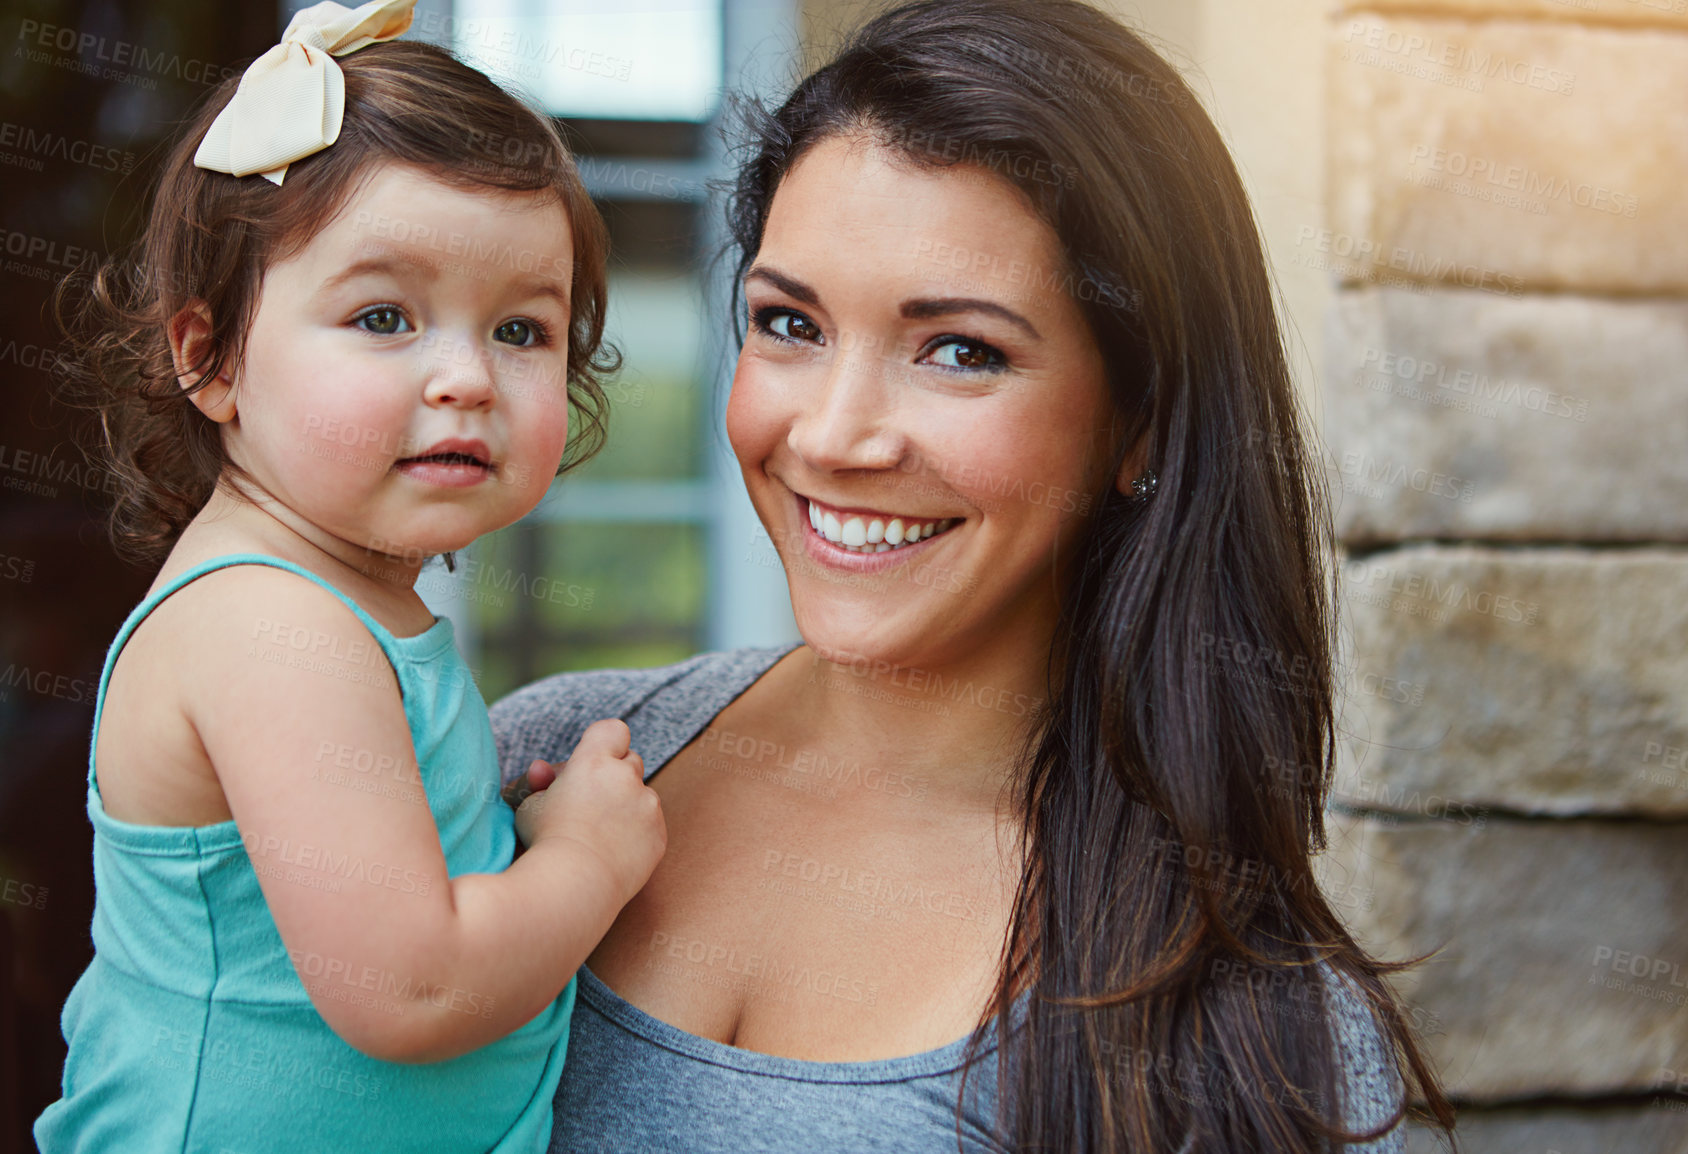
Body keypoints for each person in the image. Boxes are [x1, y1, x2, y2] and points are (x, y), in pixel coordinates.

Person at [497, 1, 1458, 1151]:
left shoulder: (1258, 1036)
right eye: (789, 323)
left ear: (1140, 422)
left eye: (960, 350)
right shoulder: (536, 760)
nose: (838, 435)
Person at [33, 2, 666, 1150]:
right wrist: (586, 858)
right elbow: (411, 988)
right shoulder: (270, 626)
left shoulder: (333, 602)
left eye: (522, 330)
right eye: (385, 315)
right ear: (210, 358)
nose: (466, 376)